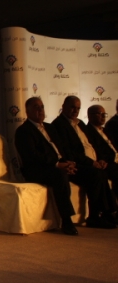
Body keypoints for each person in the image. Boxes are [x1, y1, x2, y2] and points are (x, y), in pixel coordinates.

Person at [14, 97, 79, 235]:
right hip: (38, 170)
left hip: (59, 164)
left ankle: (100, 214)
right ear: (27, 111)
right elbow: (32, 156)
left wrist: (69, 162)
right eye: (36, 107)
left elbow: (62, 148)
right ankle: (66, 220)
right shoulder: (23, 131)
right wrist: (57, 164)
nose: (40, 110)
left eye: (42, 107)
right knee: (60, 175)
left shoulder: (50, 127)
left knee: (91, 172)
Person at [51, 96, 117, 228]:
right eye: (72, 107)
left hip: (93, 162)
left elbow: (93, 145)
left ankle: (108, 213)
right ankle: (94, 216)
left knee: (103, 171)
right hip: (77, 164)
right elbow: (69, 152)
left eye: (78, 108)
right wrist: (91, 163)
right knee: (97, 174)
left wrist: (101, 160)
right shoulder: (58, 125)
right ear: (63, 107)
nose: (75, 111)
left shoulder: (80, 123)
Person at [85, 105, 118, 198]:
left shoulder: (105, 130)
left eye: (104, 114)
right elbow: (96, 151)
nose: (103, 116)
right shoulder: (88, 132)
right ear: (90, 116)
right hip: (107, 162)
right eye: (100, 114)